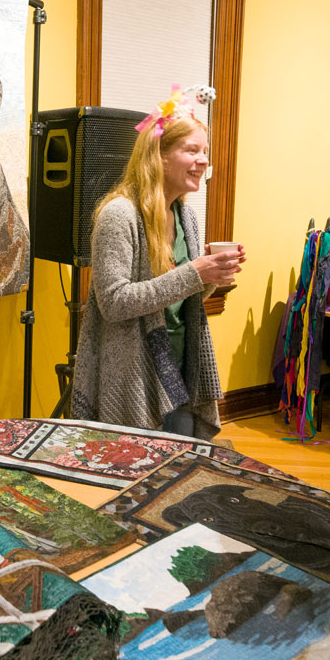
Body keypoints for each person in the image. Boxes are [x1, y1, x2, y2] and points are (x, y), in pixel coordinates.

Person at [71, 85, 243, 438]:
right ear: (160, 155)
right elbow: (114, 302)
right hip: (134, 371)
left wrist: (213, 274)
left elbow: (184, 297)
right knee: (132, 474)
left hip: (180, 365)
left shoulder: (186, 216)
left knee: (177, 473)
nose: (204, 161)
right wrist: (194, 272)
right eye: (192, 150)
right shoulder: (119, 214)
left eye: (205, 152)